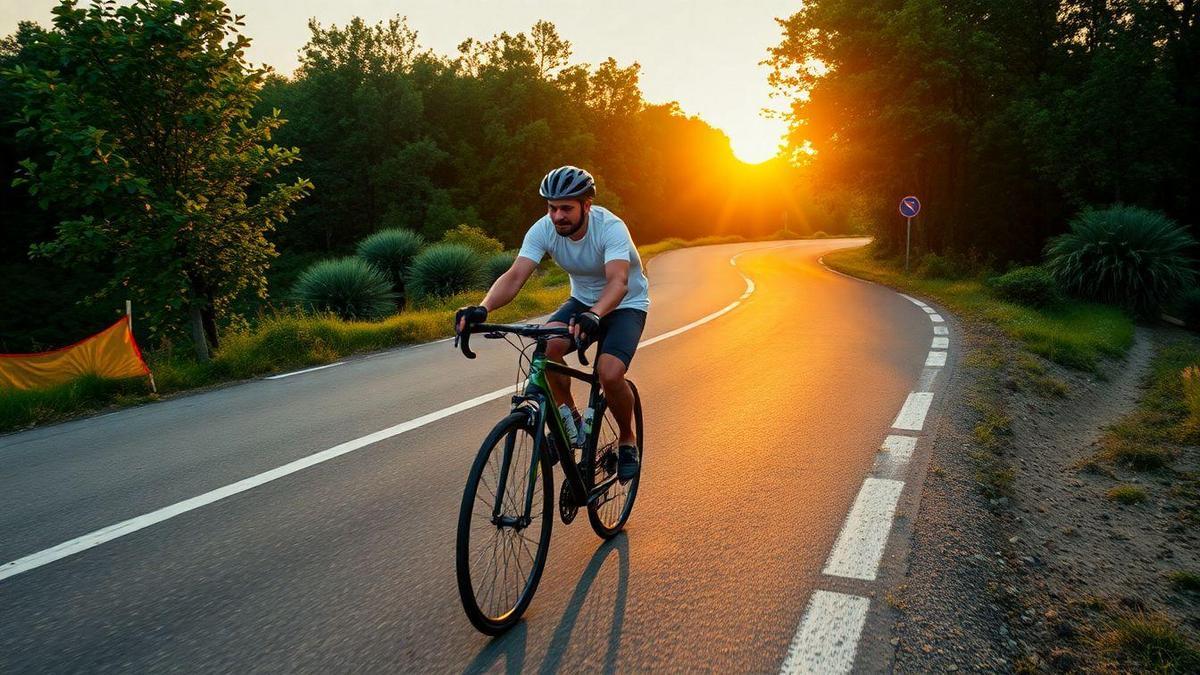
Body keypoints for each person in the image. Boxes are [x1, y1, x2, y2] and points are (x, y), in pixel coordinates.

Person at [455, 165, 650, 481]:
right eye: (552, 208)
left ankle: (627, 439)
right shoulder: (543, 229)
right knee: (545, 349)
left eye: (566, 208)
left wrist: (595, 315)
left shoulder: (610, 228)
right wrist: (483, 309)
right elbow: (515, 276)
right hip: (582, 303)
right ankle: (569, 422)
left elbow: (618, 281)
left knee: (609, 373)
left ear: (587, 205)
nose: (558, 216)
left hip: (624, 304)